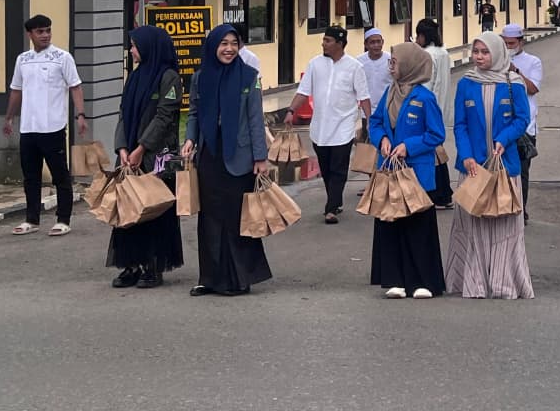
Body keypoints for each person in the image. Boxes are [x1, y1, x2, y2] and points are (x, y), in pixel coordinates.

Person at [182, 24, 272, 297]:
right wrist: (190, 139)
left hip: (240, 154)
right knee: (209, 217)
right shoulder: (201, 77)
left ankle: (239, 278)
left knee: (236, 217)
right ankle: (209, 278)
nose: (229, 48)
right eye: (224, 43)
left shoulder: (249, 76)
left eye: (234, 43)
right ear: (213, 46)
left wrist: (260, 157)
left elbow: (256, 119)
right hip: (210, 153)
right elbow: (194, 113)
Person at [445, 32, 533, 299]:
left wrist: (503, 140)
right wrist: (467, 155)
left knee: (505, 225)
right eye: (476, 51)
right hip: (473, 167)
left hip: (504, 166)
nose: (479, 57)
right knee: (473, 223)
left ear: (497, 53)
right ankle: (473, 282)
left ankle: (504, 284)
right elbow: (459, 124)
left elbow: (522, 119)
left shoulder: (513, 82)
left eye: (485, 52)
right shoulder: (466, 83)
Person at [368, 42, 447, 299]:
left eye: (395, 62)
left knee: (418, 225)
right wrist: (382, 140)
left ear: (410, 66)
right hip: (390, 170)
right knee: (391, 223)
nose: (391, 66)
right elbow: (376, 121)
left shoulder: (424, 98)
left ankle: (423, 281)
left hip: (417, 174)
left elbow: (436, 134)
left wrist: (408, 146)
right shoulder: (391, 93)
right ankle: (395, 279)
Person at [108, 26, 184, 288]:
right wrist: (122, 148)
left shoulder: (169, 77)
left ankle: (153, 265)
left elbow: (165, 116)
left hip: (156, 157)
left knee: (154, 209)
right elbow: (122, 113)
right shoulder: (135, 77)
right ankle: (131, 264)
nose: (131, 50)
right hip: (129, 155)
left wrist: (142, 147)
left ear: (149, 46)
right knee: (128, 210)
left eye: (134, 45)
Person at [3, 14, 86, 237]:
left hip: (53, 127)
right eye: (40, 31)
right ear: (30, 34)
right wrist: (9, 117)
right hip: (29, 127)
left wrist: (80, 114)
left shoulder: (62, 57)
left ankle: (63, 219)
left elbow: (75, 87)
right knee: (31, 176)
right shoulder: (23, 59)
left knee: (60, 175)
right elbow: (16, 90)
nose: (45, 35)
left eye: (48, 30)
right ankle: (32, 219)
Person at [284, 25, 369, 223]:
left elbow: (363, 97)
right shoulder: (315, 64)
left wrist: (369, 122)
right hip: (320, 128)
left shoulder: (355, 67)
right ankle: (336, 200)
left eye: (328, 41)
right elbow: (303, 92)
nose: (323, 44)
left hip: (343, 126)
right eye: (324, 40)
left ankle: (330, 209)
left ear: (340, 44)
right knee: (327, 168)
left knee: (339, 167)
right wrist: (290, 111)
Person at [501, 23, 542, 223]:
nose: (509, 47)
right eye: (505, 43)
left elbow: (533, 88)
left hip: (525, 127)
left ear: (520, 41)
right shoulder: (495, 61)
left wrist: (514, 70)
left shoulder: (533, 62)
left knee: (521, 172)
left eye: (512, 43)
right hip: (501, 126)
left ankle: (520, 209)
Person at [415, 17, 455, 210]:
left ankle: (441, 194)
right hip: (441, 107)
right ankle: (442, 193)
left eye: (418, 35)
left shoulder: (428, 55)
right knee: (436, 151)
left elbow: (426, 84)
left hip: (429, 109)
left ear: (423, 35)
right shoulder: (443, 52)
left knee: (432, 154)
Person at [359, 27, 392, 127]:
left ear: (383, 42)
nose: (376, 45)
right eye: (372, 42)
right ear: (366, 44)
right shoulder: (359, 62)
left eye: (379, 42)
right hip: (367, 112)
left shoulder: (391, 59)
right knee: (367, 140)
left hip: (387, 110)